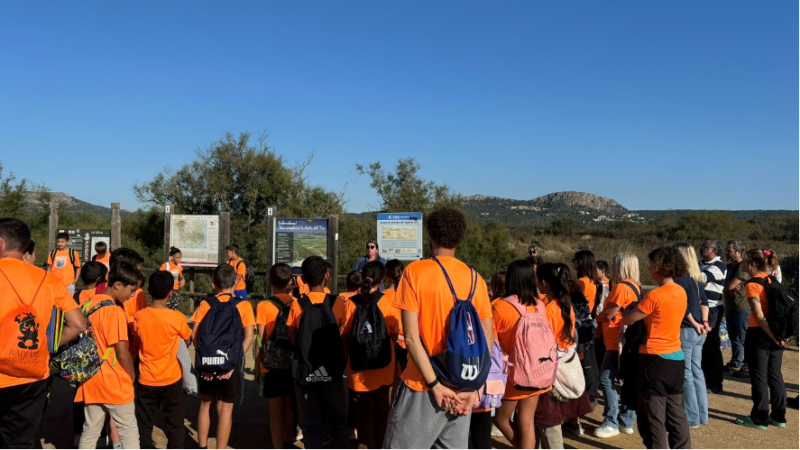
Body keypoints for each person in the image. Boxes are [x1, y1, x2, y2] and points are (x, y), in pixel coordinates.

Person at [384, 208, 493, 450]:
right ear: (460, 238)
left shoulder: (415, 272)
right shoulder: (476, 278)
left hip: (423, 384)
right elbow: (487, 339)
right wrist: (471, 389)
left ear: (430, 235)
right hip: (462, 387)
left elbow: (411, 338)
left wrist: (435, 386)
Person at [0, 218, 87, 449]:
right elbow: (78, 324)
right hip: (34, 374)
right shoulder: (49, 281)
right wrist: (47, 344)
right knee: (20, 441)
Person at [622, 246, 691, 450]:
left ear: (661, 266)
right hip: (676, 358)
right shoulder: (680, 291)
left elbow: (629, 318)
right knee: (676, 411)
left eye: (652, 264)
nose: (649, 268)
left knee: (654, 415)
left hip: (653, 359)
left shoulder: (655, 295)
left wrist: (629, 308)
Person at [76, 263, 141, 450]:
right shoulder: (115, 311)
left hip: (91, 378)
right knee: (128, 430)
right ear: (118, 285)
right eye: (131, 290)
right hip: (114, 380)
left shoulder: (89, 303)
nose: (132, 295)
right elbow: (122, 352)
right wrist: (132, 376)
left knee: (90, 431)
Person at [191, 264, 255, 450]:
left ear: (213, 284)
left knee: (205, 405)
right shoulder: (244, 305)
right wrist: (231, 362)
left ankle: (202, 446)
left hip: (207, 363)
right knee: (226, 410)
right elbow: (249, 337)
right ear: (236, 281)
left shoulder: (205, 303)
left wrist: (206, 360)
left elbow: (195, 335)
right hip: (230, 365)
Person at [286, 256, 348, 450]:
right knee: (338, 420)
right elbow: (342, 331)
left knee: (310, 424)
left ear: (303, 279)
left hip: (306, 372)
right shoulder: (337, 302)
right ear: (327, 277)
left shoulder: (297, 305)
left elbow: (291, 336)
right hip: (332, 371)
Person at [491, 260, 551, 449]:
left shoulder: (500, 307)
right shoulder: (539, 305)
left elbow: (491, 344)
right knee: (526, 422)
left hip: (512, 375)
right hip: (537, 371)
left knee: (501, 419)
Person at [342, 261, 400, 450]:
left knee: (363, 418)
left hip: (358, 370)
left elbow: (346, 335)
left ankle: (365, 446)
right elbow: (393, 333)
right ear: (382, 279)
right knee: (383, 413)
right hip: (384, 367)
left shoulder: (350, 304)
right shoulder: (389, 302)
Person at [534, 263, 590, 448]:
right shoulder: (565, 305)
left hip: (551, 370)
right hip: (565, 364)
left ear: (544, 283)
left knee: (549, 422)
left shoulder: (548, 310)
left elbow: (543, 343)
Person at [134, 271, 191, 449]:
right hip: (172, 379)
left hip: (145, 378)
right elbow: (187, 340)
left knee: (144, 424)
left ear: (149, 291)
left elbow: (136, 340)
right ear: (170, 293)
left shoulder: (139, 316)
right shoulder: (177, 317)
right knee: (175, 424)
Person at [735, 248, 787, 430]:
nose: (741, 263)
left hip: (759, 334)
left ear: (752, 264)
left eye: (744, 261)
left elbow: (758, 315)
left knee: (759, 376)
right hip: (777, 334)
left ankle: (759, 417)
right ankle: (779, 416)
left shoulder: (752, 284)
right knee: (775, 375)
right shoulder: (773, 281)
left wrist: (771, 335)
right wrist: (779, 337)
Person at [593, 252, 640, 438]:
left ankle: (611, 420)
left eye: (615, 264)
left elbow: (609, 313)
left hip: (615, 340)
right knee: (627, 379)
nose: (612, 268)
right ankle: (626, 420)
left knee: (605, 378)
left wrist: (596, 318)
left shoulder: (621, 287)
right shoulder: (636, 287)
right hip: (627, 340)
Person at [256, 263, 297, 450]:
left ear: (270, 282)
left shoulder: (264, 305)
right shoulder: (297, 304)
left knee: (274, 412)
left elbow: (262, 338)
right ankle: (289, 442)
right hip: (292, 363)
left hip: (270, 365)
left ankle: (278, 446)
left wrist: (258, 363)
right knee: (289, 406)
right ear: (290, 282)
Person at [70, 261, 108, 444]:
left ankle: (78, 433)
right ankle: (100, 435)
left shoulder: (75, 295)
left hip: (78, 351)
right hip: (100, 352)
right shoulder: (102, 296)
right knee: (100, 395)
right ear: (101, 279)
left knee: (80, 392)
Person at [674, 243, 710, 429]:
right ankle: (702, 415)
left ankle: (692, 417)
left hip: (687, 329)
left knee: (687, 373)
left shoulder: (679, 278)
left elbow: (682, 306)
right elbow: (705, 302)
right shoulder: (696, 277)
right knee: (697, 372)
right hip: (698, 331)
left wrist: (696, 323)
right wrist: (704, 323)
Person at [469, 271, 505, 450]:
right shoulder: (489, 309)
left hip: (464, 377)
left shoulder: (459, 310)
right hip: (486, 378)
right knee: (481, 428)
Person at [573, 250, 601, 409]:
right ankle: (593, 390)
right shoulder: (593, 281)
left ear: (581, 263)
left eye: (575, 260)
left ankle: (590, 395)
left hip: (582, 324)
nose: (573, 263)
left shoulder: (582, 282)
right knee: (592, 359)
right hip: (590, 323)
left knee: (587, 361)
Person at [699, 238, 727, 394]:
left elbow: (698, 278)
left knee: (711, 346)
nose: (702, 248)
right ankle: (704, 379)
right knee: (702, 345)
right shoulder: (701, 264)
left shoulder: (719, 266)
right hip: (701, 309)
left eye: (705, 247)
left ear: (714, 250)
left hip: (712, 310)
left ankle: (715, 383)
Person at [724, 240, 751, 377]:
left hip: (742, 307)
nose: (727, 252)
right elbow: (728, 285)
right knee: (734, 337)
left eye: (729, 250)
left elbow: (729, 286)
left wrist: (725, 285)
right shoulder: (729, 267)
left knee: (743, 337)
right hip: (730, 306)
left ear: (739, 252)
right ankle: (736, 362)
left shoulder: (743, 267)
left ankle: (747, 364)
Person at [160, 247, 186, 311]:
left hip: (176, 289)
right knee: (166, 306)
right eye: (177, 258)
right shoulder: (166, 265)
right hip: (167, 289)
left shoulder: (179, 266)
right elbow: (160, 276)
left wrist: (183, 279)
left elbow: (180, 275)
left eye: (180, 258)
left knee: (174, 306)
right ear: (172, 257)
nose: (179, 259)